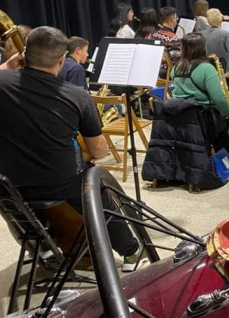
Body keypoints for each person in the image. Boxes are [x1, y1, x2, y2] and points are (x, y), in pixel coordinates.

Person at [0, 27, 143, 271]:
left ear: (24, 54)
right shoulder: (76, 96)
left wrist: (7, 67)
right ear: (61, 59)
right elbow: (98, 150)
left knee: (13, 201)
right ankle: (130, 251)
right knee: (97, 184)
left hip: (9, 185)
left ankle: (43, 248)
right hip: (60, 183)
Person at [171, 33, 229, 118]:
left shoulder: (175, 68)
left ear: (183, 49)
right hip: (203, 117)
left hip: (179, 116)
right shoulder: (207, 69)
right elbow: (218, 99)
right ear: (203, 48)